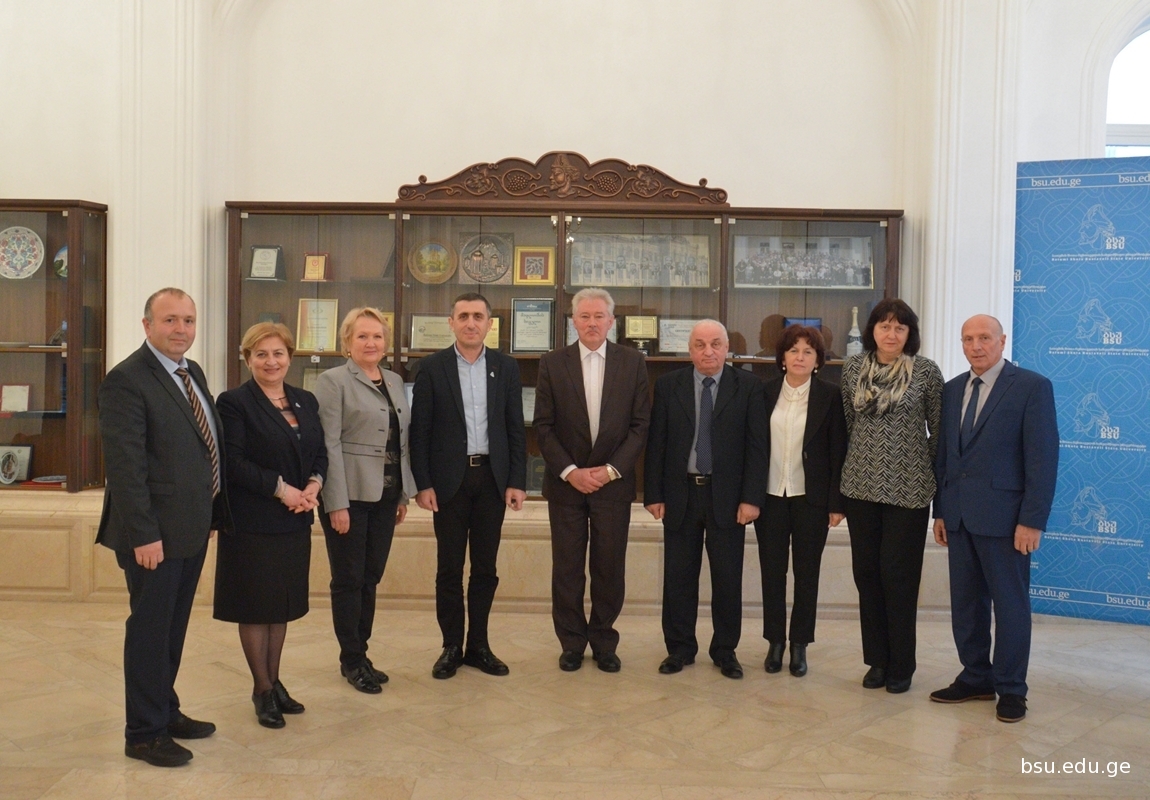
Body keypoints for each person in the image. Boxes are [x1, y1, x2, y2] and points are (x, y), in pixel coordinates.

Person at [97, 287, 231, 767]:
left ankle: (165, 710)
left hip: (190, 527)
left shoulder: (191, 372)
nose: (181, 329)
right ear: (147, 325)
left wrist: (209, 513)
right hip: (153, 536)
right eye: (170, 320)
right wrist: (144, 535)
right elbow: (126, 467)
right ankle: (143, 734)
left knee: (171, 630)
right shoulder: (126, 380)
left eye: (188, 320)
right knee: (150, 632)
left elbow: (200, 447)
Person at [930, 314, 1059, 723]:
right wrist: (941, 510)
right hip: (959, 517)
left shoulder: (1032, 387)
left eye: (984, 338)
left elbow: (1042, 459)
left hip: (1007, 521)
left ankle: (1011, 688)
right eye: (968, 339)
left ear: (1002, 342)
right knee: (966, 605)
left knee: (1010, 606)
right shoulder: (953, 389)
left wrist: (1032, 520)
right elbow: (945, 456)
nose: (976, 346)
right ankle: (976, 677)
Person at [214, 322, 326, 728]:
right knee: (255, 605)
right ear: (248, 359)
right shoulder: (234, 403)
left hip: (294, 520)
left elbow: (320, 452)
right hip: (253, 521)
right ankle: (261, 689)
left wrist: (314, 485)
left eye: (278, 353)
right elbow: (233, 462)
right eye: (260, 354)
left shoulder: (305, 400)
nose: (270, 361)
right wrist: (283, 491)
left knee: (280, 605)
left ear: (290, 357)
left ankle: (275, 682)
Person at [410, 293, 527, 679]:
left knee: (485, 568)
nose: (471, 323)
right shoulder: (432, 367)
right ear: (451, 322)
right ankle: (450, 646)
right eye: (463, 316)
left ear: (490, 324)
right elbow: (420, 431)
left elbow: (515, 427)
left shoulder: (506, 367)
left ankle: (479, 645)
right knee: (449, 567)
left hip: (492, 479)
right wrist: (423, 483)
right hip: (448, 482)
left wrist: (517, 480)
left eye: (478, 316)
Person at [534, 288, 650, 672]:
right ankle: (571, 643)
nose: (592, 323)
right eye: (584, 316)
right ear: (573, 321)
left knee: (608, 567)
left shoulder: (632, 362)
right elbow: (544, 426)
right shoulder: (553, 363)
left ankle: (603, 642)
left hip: (613, 485)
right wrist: (571, 472)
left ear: (611, 322)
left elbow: (640, 426)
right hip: (566, 486)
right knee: (567, 569)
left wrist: (611, 470)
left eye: (599, 316)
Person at [644, 320, 766, 679]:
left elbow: (757, 448)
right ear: (690, 349)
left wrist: (751, 498)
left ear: (727, 348)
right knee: (678, 577)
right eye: (700, 344)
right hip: (680, 494)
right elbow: (656, 442)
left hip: (728, 498)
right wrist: (654, 494)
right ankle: (679, 648)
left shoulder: (749, 387)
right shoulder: (668, 385)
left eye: (715, 344)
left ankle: (725, 650)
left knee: (727, 577)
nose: (708, 351)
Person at [839, 298, 942, 694]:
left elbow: (939, 431)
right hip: (860, 487)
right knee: (867, 575)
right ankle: (877, 661)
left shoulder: (926, 372)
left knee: (898, 576)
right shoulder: (853, 369)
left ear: (909, 333)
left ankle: (901, 664)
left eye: (900, 327)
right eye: (884, 326)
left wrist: (917, 464)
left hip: (909, 490)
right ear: (873, 331)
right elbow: (849, 425)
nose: (892, 333)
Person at [314, 307, 414, 694]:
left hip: (386, 496)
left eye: (377, 336)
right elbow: (328, 444)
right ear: (347, 342)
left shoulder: (394, 379)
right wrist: (335, 503)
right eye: (362, 336)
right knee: (349, 579)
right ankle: (351, 660)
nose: (370, 343)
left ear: (386, 343)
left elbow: (400, 441)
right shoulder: (332, 381)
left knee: (371, 577)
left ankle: (362, 653)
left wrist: (402, 493)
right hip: (349, 497)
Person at [754, 325, 847, 678]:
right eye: (793, 350)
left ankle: (799, 644)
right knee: (772, 572)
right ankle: (775, 642)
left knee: (807, 574)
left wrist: (837, 503)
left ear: (818, 360)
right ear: (782, 357)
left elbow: (838, 451)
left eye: (809, 351)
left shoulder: (831, 396)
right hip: (770, 497)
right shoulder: (763, 393)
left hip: (812, 499)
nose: (800, 357)